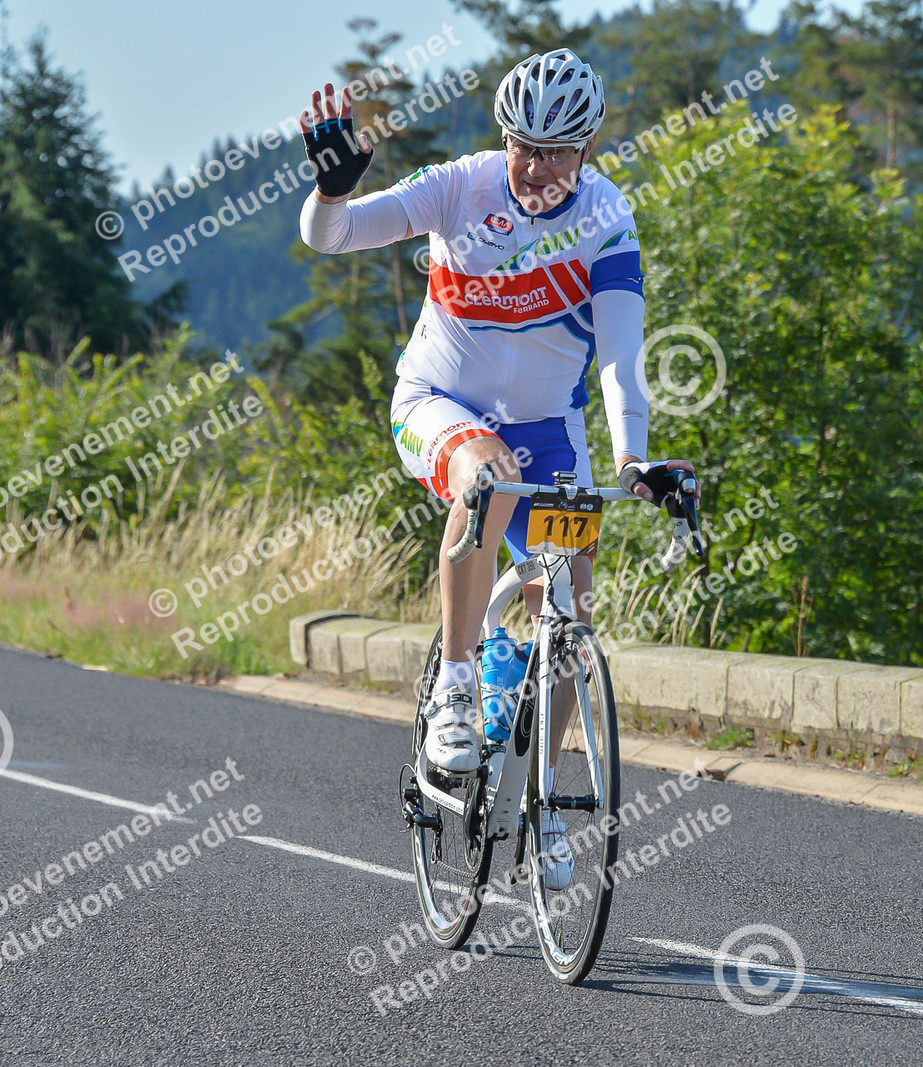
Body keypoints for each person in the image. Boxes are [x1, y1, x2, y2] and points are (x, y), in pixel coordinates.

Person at [298, 48, 696, 886]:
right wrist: (330, 194)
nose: (534, 167)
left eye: (555, 152)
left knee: (573, 612)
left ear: (588, 148)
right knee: (485, 471)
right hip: (438, 404)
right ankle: (454, 683)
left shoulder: (607, 218)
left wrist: (634, 457)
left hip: (550, 429)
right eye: (522, 145)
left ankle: (540, 794)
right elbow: (332, 237)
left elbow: (622, 357)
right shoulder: (460, 187)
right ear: (502, 136)